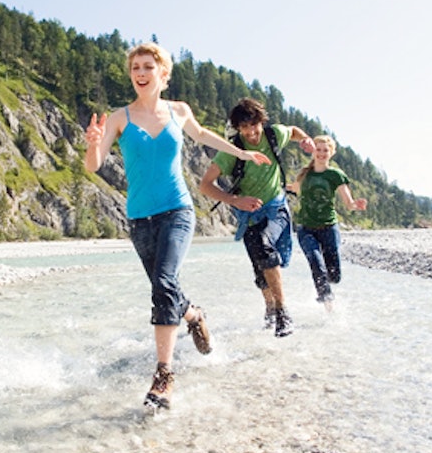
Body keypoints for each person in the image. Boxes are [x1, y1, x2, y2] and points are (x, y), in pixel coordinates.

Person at [83, 42, 270, 409]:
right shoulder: (119, 118)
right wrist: (92, 144)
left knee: (164, 284)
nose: (140, 73)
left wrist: (242, 153)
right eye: (135, 67)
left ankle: (164, 376)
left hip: (177, 212)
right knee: (162, 287)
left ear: (163, 75)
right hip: (138, 218)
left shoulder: (178, 111)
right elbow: (94, 164)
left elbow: (203, 135)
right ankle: (194, 315)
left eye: (148, 67)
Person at [199, 98, 315, 338]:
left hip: (276, 207)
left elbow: (293, 131)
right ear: (238, 128)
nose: (251, 133)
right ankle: (270, 308)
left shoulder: (273, 135)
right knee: (260, 269)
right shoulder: (232, 151)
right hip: (248, 215)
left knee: (267, 248)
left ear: (262, 122)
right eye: (245, 128)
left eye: (255, 125)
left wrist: (305, 139)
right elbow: (205, 185)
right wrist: (235, 201)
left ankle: (283, 312)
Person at [286, 135, 367, 310]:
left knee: (334, 274)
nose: (321, 153)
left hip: (329, 228)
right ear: (313, 151)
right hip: (305, 228)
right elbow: (294, 189)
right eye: (318, 149)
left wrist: (355, 205)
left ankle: (327, 286)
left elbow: (348, 202)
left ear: (331, 153)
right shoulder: (304, 174)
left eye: (325, 150)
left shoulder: (335, 175)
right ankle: (327, 303)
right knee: (316, 263)